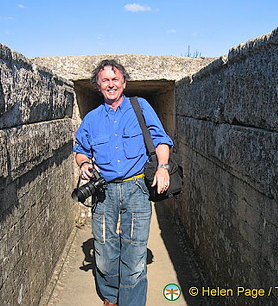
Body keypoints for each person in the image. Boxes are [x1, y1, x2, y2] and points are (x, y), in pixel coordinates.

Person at [73, 59, 173, 306]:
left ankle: (131, 302)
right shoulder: (92, 119)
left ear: (124, 82)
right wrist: (84, 164)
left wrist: (163, 168)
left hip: (136, 188)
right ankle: (110, 296)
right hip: (104, 191)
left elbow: (161, 139)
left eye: (115, 79)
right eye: (104, 80)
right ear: (98, 86)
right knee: (105, 250)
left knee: (135, 251)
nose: (110, 85)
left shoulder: (140, 107)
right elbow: (80, 150)